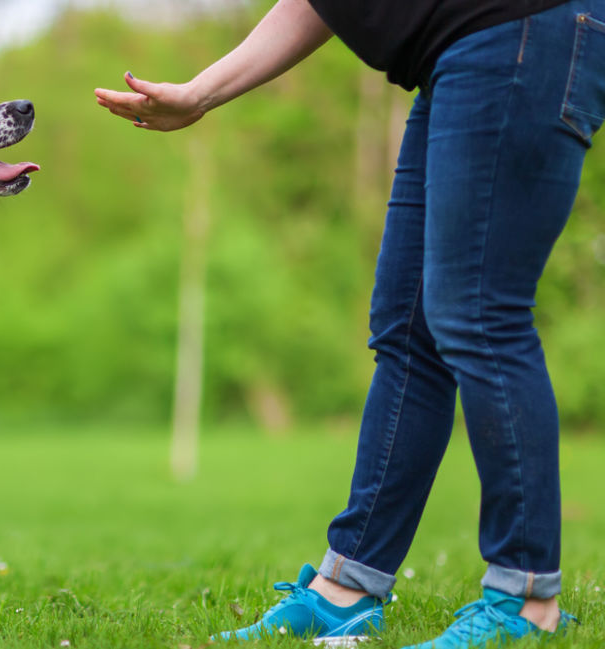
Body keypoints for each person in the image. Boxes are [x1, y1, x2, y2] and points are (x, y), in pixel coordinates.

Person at [96, 0, 602, 647]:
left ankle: (527, 599)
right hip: (459, 55)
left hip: (517, 32)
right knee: (408, 332)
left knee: (479, 314)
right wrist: (200, 93)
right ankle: (348, 589)